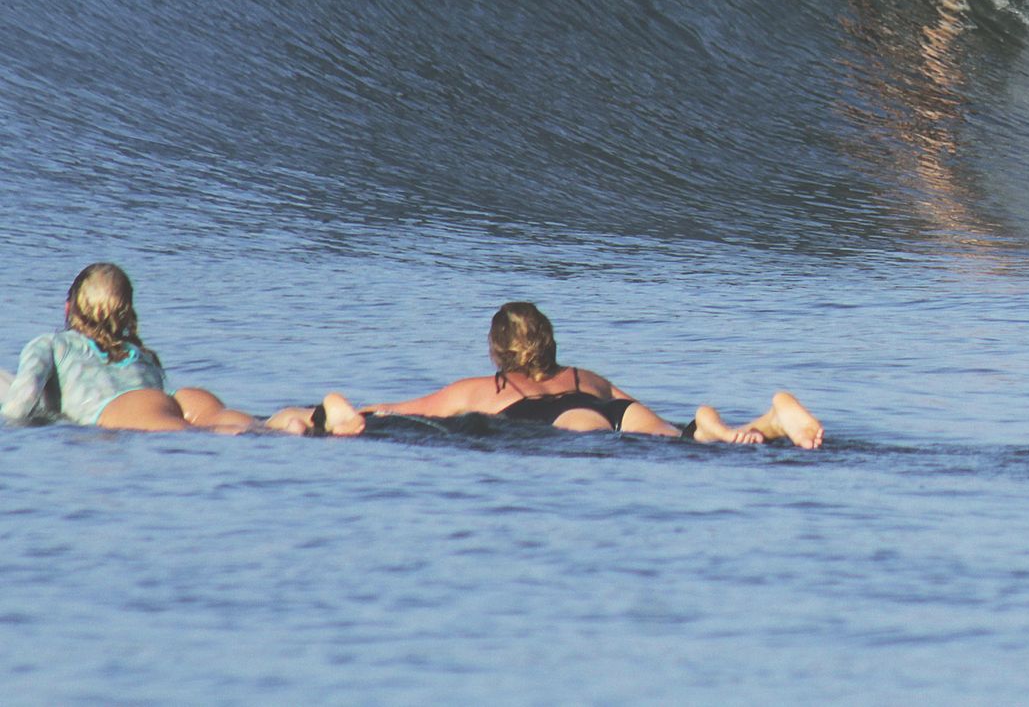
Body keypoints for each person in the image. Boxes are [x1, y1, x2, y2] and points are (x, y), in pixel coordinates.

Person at [356, 301, 824, 448]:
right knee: (681, 438)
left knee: (591, 436)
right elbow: (633, 407)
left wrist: (344, 415)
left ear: (497, 350)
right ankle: (758, 420)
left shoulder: (482, 388)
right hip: (614, 408)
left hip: (562, 422)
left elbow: (400, 412)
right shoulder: (588, 377)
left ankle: (715, 430)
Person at [0, 262, 361, 435]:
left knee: (207, 438)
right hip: (184, 397)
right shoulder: (141, 354)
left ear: (69, 308)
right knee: (252, 425)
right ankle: (312, 415)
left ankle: (299, 424)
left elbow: (21, 404)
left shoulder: (51, 343)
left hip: (124, 410)